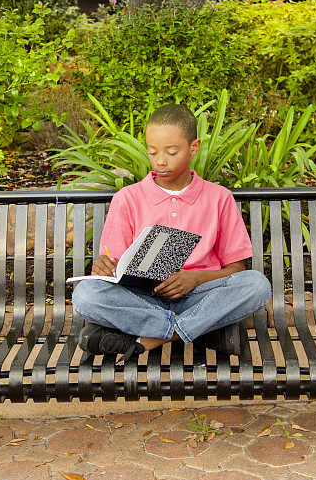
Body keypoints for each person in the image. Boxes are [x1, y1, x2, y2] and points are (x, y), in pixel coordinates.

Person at [71, 103, 271, 361]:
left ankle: (149, 339)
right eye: (152, 152)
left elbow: (237, 271)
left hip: (199, 297)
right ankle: (199, 330)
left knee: (256, 285)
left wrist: (194, 279)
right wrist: (104, 269)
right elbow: (115, 267)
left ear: (194, 147)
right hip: (144, 300)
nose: (160, 161)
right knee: (86, 295)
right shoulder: (127, 199)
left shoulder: (219, 198)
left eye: (172, 152)